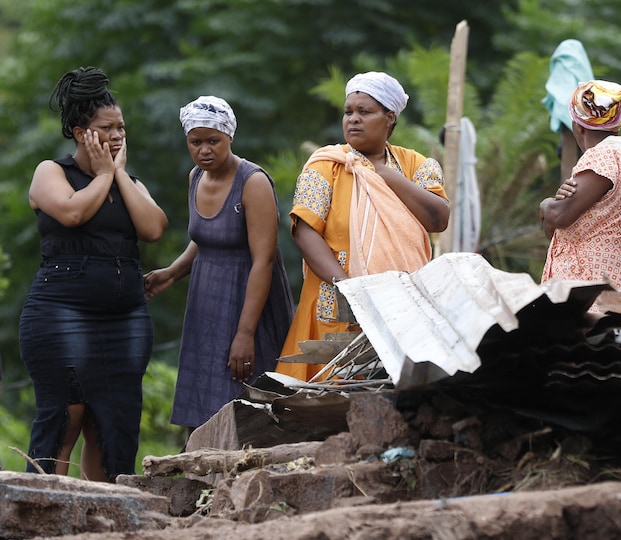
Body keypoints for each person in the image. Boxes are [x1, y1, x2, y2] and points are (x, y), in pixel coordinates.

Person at [19, 67, 168, 481]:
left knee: (112, 422)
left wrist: (117, 173)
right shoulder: (51, 172)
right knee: (67, 413)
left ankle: (106, 516)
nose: (118, 134)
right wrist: (103, 175)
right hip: (61, 309)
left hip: (124, 317)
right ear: (81, 132)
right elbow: (71, 212)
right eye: (107, 128)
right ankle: (42, 508)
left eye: (121, 126)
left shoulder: (129, 182)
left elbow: (153, 228)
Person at [278, 71, 449, 382]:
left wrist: (382, 173)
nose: (353, 120)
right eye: (348, 112)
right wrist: (348, 289)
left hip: (402, 308)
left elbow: (438, 219)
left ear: (390, 117)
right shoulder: (326, 165)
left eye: (364, 112)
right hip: (336, 306)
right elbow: (304, 231)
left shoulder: (417, 166)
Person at [143, 96, 294, 432]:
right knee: (205, 400)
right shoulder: (196, 177)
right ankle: (204, 476)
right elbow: (205, 238)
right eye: (196, 142)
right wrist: (171, 273)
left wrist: (245, 333)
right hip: (206, 302)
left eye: (213, 141)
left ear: (230, 137)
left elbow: (264, 260)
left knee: (247, 397)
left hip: (248, 301)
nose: (204, 150)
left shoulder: (252, 182)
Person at [539, 80, 621, 309]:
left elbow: (559, 216)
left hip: (593, 290)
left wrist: (546, 204)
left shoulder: (602, 156)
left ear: (577, 126)